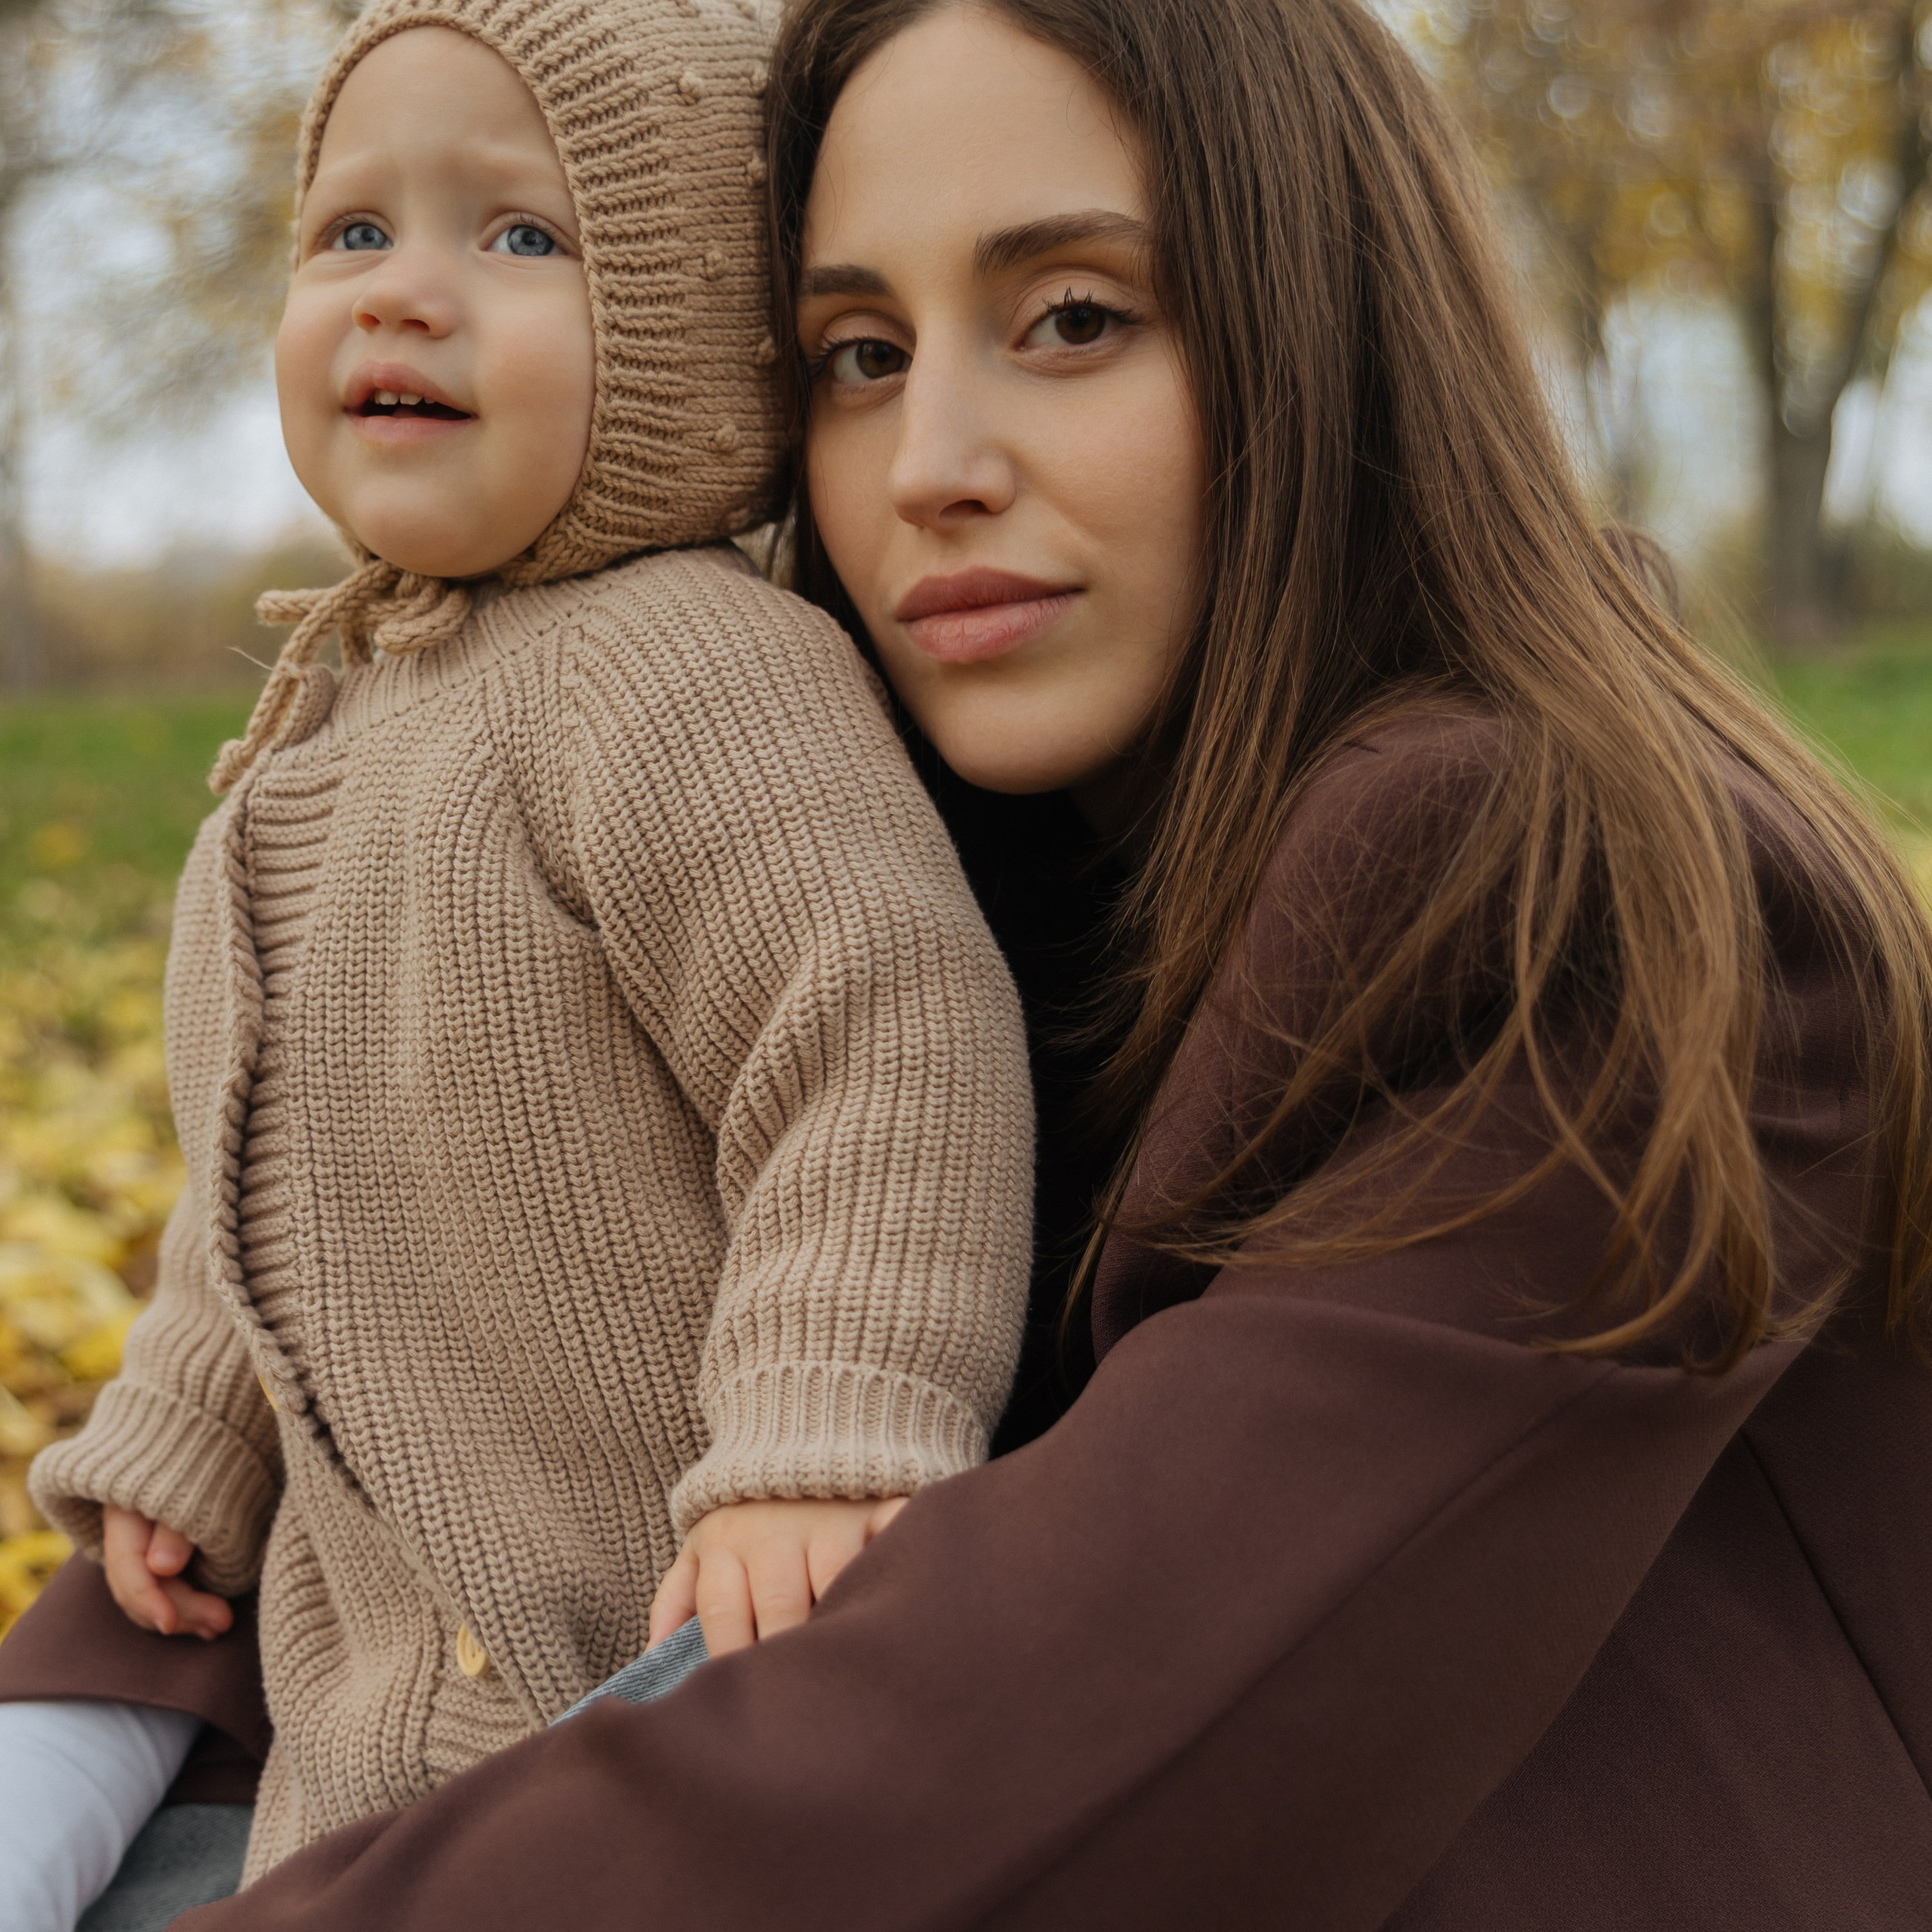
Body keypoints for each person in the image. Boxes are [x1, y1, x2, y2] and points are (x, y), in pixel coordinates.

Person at [10, 0, 1932, 1924]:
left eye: (1073, 318)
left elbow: (1040, 1725)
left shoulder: (1590, 907)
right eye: (858, 354)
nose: (926, 463)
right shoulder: (914, 812)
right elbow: (408, 1308)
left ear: (1326, 334)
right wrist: (93, 1682)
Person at [0, 0, 1038, 1919]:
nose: (401, 292)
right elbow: (273, 1171)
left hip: (678, 1696)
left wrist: (823, 1425)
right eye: (352, 229)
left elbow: (878, 1037)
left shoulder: (686, 668)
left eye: (518, 234)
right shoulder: (323, 728)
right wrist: (186, 1427)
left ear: (693, 331)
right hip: (372, 1766)